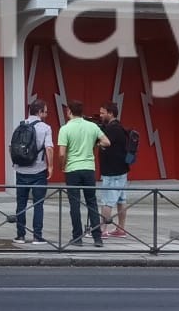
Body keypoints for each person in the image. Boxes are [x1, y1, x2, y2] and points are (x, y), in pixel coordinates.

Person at [56, 100, 109, 247]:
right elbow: (107, 142)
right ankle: (97, 238)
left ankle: (77, 237)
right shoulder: (92, 126)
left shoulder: (65, 129)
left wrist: (63, 166)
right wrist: (95, 144)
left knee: (75, 204)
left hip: (72, 169)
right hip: (89, 169)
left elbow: (61, 153)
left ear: (69, 112)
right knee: (91, 202)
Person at [8, 100, 53, 244]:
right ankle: (37, 236)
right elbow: (49, 148)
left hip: (21, 170)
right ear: (39, 112)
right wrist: (50, 166)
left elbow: (12, 146)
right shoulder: (45, 128)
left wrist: (16, 163)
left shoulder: (20, 125)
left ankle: (20, 236)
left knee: (21, 203)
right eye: (45, 111)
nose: (46, 114)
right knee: (38, 204)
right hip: (38, 170)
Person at [96, 103, 132, 239]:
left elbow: (105, 143)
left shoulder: (112, 129)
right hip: (121, 169)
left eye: (102, 113)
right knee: (121, 199)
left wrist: (99, 143)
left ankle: (102, 229)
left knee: (106, 201)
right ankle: (121, 228)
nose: (100, 116)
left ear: (110, 113)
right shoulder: (119, 127)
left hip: (112, 171)